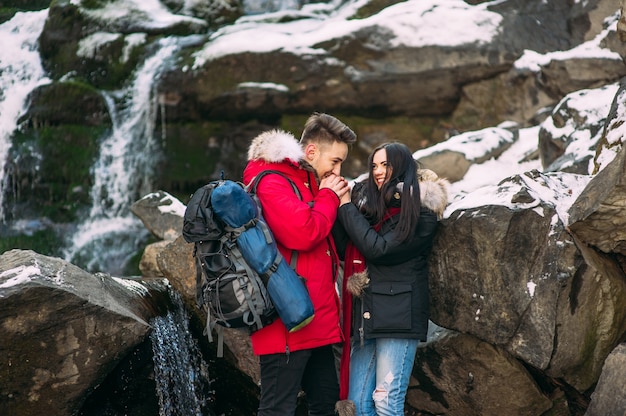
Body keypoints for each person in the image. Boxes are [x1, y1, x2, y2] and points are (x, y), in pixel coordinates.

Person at [242, 112, 357, 416]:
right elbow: (304, 233)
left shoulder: (306, 183)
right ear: (311, 152)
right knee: (277, 409)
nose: (338, 170)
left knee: (326, 404)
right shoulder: (272, 181)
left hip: (314, 319)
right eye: (335, 161)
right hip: (287, 323)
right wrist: (329, 197)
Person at [333, 142, 449, 416]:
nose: (378, 171)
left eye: (386, 164)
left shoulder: (421, 212)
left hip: (398, 317)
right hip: (366, 316)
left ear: (403, 166)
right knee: (359, 405)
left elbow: (379, 249)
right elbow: (343, 246)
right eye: (374, 165)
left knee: (386, 403)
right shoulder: (368, 208)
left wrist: (347, 207)